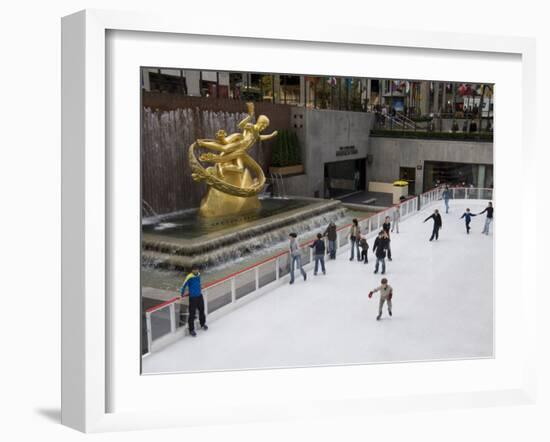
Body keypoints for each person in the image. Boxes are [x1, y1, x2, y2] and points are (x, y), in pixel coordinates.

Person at [180, 265, 208, 337]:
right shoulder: (189, 277)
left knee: (202, 310)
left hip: (199, 296)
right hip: (193, 298)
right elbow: (183, 286)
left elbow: (198, 282)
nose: (196, 271)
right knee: (192, 314)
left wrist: (200, 286)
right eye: (195, 270)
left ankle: (202, 324)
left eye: (197, 269)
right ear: (192, 270)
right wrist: (181, 294)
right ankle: (191, 330)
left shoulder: (198, 274)